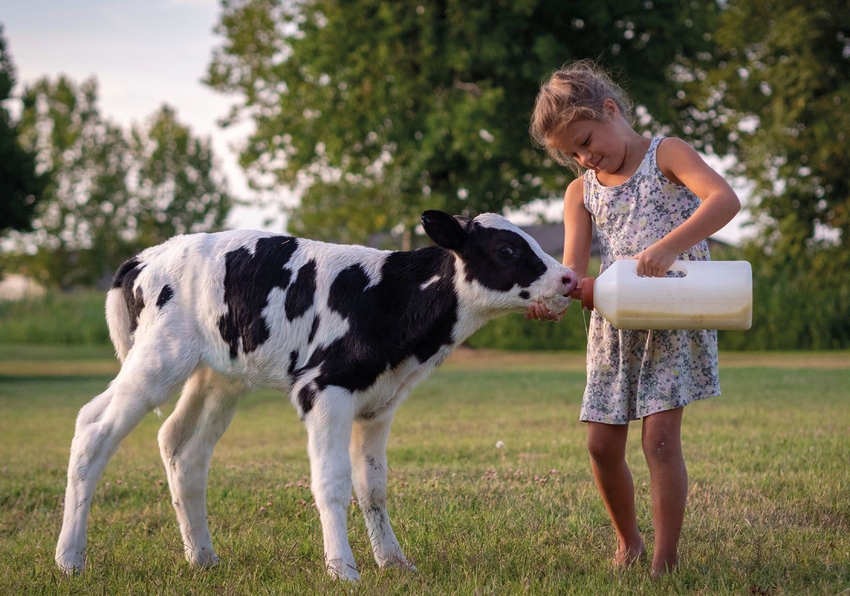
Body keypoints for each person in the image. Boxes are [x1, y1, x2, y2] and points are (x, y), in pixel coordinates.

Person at [525, 59, 741, 577]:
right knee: (601, 444)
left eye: (586, 139)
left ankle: (664, 561)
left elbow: (724, 199)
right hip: (616, 323)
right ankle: (630, 541)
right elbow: (574, 269)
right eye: (571, 152)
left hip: (674, 311)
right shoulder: (582, 190)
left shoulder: (667, 153)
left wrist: (668, 248)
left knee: (659, 441)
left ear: (610, 109)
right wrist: (555, 297)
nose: (584, 155)